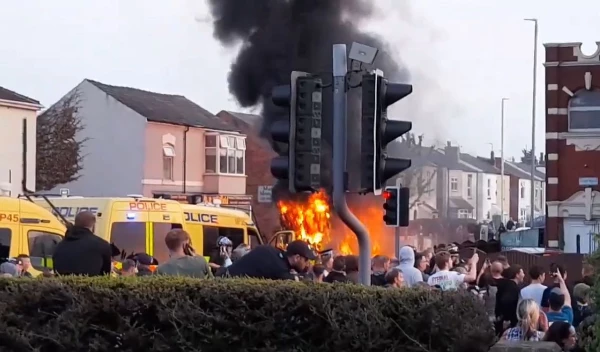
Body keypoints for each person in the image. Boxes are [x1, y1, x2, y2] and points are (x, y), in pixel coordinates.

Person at [53, 211, 112, 276]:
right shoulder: (102, 245)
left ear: (75, 223)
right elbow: (105, 275)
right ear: (93, 225)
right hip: (90, 285)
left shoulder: (60, 245)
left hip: (60, 285)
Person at [225, 240, 316, 280]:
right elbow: (293, 280)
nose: (307, 263)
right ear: (297, 258)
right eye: (306, 259)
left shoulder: (274, 253)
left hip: (224, 275)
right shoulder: (279, 268)